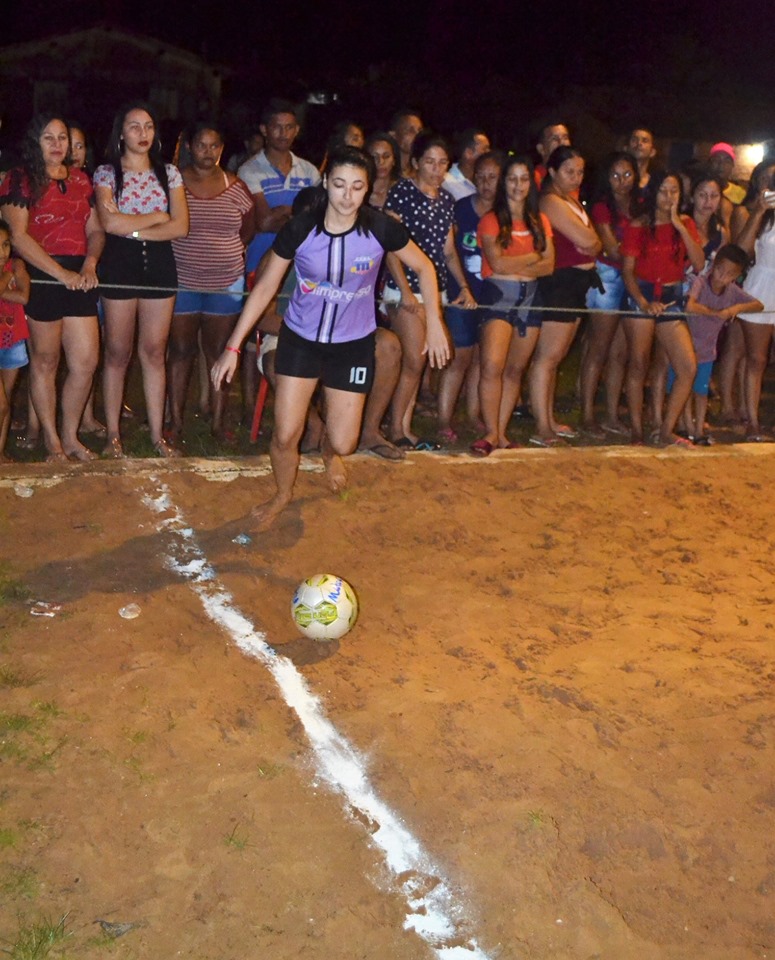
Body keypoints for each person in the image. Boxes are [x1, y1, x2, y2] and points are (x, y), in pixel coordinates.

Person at [211, 147, 449, 528]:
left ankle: (328, 452)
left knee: (344, 443)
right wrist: (233, 347)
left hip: (352, 346)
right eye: (339, 184)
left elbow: (425, 267)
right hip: (300, 339)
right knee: (287, 434)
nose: (347, 195)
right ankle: (283, 493)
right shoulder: (301, 228)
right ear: (326, 183)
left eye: (357, 187)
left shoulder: (380, 227)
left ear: (368, 189)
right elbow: (265, 287)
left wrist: (434, 322)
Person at [0, 113, 104, 462]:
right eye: (49, 138)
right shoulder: (21, 178)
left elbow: (96, 230)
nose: (58, 145)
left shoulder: (81, 179)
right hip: (43, 274)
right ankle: (52, 441)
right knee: (45, 361)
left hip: (79, 274)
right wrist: (61, 273)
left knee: (86, 361)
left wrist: (90, 263)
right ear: (35, 141)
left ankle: (71, 435)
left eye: (63, 137)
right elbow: (17, 236)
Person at [93, 101, 189, 458]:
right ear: (121, 132)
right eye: (134, 127)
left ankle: (156, 436)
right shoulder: (107, 173)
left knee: (154, 352)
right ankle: (113, 435)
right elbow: (109, 224)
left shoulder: (170, 173)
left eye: (148, 126)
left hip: (160, 267)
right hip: (119, 266)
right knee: (117, 353)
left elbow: (180, 226)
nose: (143, 134)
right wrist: (155, 216)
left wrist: (133, 227)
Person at [167, 120, 254, 441]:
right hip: (182, 281)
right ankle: (175, 422)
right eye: (201, 145)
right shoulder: (174, 184)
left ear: (222, 148)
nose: (208, 152)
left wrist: (224, 254)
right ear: (190, 147)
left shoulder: (236, 186)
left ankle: (219, 422)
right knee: (180, 351)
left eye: (214, 145)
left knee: (221, 353)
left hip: (226, 283)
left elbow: (248, 228)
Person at [383, 132, 471, 447]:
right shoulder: (402, 192)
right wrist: (405, 290)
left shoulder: (446, 200)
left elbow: (448, 251)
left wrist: (463, 286)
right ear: (417, 162)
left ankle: (405, 427)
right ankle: (395, 427)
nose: (436, 168)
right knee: (414, 359)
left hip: (434, 290)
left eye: (442, 162)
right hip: (402, 287)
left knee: (419, 359)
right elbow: (391, 247)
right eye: (430, 161)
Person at [474, 155, 554, 454]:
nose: (518, 185)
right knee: (492, 365)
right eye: (512, 178)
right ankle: (491, 432)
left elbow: (550, 265)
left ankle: (501, 432)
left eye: (523, 179)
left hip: (530, 298)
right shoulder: (491, 220)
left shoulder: (540, 220)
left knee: (514, 370)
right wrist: (534, 257)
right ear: (503, 183)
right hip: (498, 296)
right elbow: (496, 264)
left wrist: (517, 265)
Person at [620, 170, 705, 446]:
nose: (669, 197)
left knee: (686, 366)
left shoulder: (686, 223)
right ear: (653, 192)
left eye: (674, 191)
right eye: (663, 190)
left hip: (670, 295)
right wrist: (643, 303)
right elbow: (628, 271)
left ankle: (666, 429)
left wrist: (679, 226)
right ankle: (636, 429)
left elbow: (699, 263)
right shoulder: (639, 224)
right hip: (641, 292)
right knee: (638, 363)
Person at [529, 146, 601, 446]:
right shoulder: (549, 201)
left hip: (576, 284)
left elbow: (594, 244)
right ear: (553, 172)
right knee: (547, 357)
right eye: (569, 171)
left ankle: (549, 419)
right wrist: (591, 244)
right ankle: (541, 426)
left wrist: (592, 244)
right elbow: (588, 240)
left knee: (556, 357)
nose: (576, 177)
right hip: (559, 283)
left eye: (580, 171)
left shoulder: (571, 202)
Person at [436, 150, 504, 442]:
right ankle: (443, 418)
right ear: (473, 178)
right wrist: (459, 287)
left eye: (493, 177)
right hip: (461, 293)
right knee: (459, 357)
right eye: (481, 177)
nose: (487, 183)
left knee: (481, 357)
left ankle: (474, 414)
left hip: (492, 295)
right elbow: (448, 252)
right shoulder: (459, 208)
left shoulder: (505, 213)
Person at [675, 244, 763, 444]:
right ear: (714, 265)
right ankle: (688, 427)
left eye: (729, 273)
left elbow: (758, 304)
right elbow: (690, 305)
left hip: (707, 353)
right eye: (720, 269)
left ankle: (698, 431)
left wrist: (735, 309)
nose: (722, 275)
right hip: (686, 349)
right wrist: (715, 313)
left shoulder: (732, 292)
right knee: (685, 389)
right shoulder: (701, 282)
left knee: (701, 392)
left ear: (736, 276)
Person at [580, 151, 640, 437]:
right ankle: (588, 414)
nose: (622, 181)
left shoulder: (639, 204)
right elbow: (612, 247)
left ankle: (612, 415)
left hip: (630, 276)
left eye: (627, 174)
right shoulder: (602, 206)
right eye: (616, 175)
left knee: (619, 352)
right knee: (599, 348)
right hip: (609, 275)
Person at [733, 180, 775, 440]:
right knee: (756, 359)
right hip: (761, 285)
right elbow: (742, 250)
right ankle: (753, 422)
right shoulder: (762, 216)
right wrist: (759, 211)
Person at [0, 219, 30, 460]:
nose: (2, 252)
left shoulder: (17, 265)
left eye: (6, 245)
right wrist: (6, 276)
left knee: (6, 401)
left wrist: (9, 277)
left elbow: (24, 297)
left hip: (12, 339)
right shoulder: (10, 270)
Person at [443, 128, 491, 201]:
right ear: (468, 153)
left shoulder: (483, 180)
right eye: (484, 149)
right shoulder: (447, 183)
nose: (489, 153)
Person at [365, 132, 399, 211]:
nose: (381, 162)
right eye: (374, 157)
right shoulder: (359, 191)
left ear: (394, 160)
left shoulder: (403, 190)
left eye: (386, 156)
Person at [532, 119, 570, 189]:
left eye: (565, 138)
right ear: (541, 149)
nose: (561, 142)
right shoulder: (533, 179)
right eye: (554, 139)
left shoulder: (574, 177)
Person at [389, 109, 424, 178]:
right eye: (411, 130)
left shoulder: (424, 172)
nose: (417, 135)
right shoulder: (385, 171)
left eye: (420, 131)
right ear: (394, 136)